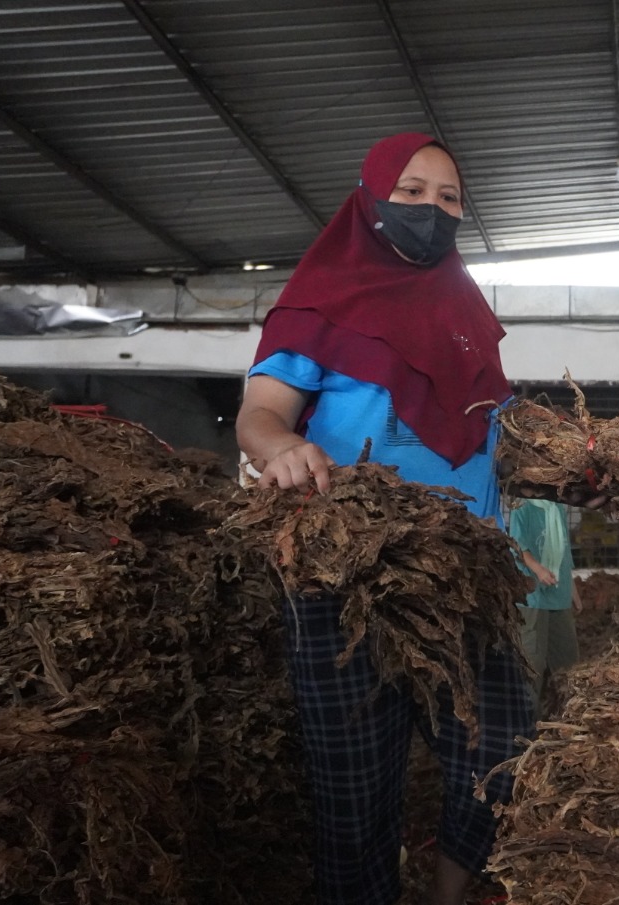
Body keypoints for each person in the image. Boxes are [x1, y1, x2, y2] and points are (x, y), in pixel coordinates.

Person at [235, 132, 532, 905]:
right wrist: (284, 447)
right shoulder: (318, 304)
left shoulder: (468, 322)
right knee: (357, 793)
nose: (430, 210)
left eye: (449, 198)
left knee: (502, 757)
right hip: (347, 575)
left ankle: (445, 898)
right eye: (410, 191)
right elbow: (260, 414)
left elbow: (495, 446)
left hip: (465, 580)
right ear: (369, 200)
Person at [508, 497, 579, 714]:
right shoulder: (521, 507)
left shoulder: (557, 506)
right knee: (532, 664)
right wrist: (538, 570)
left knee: (568, 661)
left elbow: (563, 553)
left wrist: (574, 592)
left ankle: (568, 716)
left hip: (560, 594)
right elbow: (518, 547)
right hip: (534, 598)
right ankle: (527, 724)